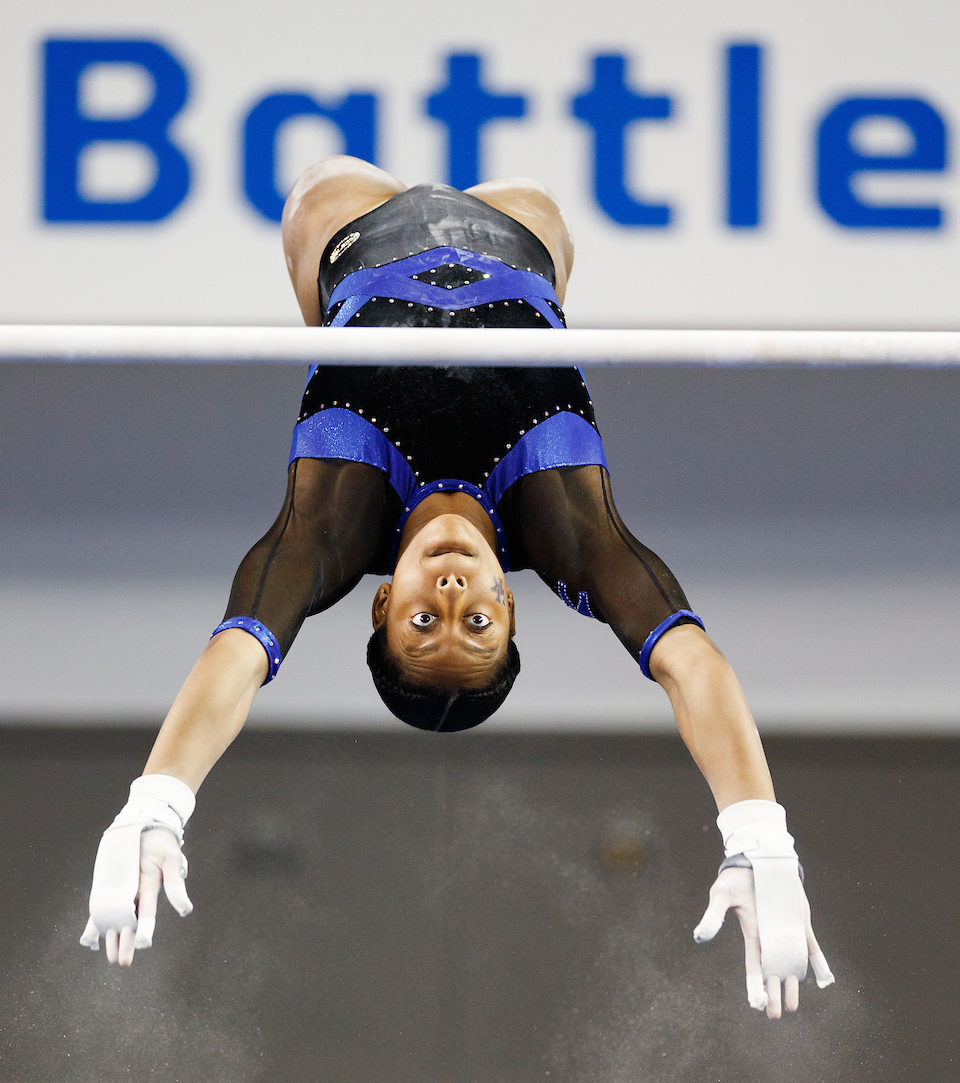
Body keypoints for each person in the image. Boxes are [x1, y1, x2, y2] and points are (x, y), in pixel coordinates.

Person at [80, 156, 835, 1018]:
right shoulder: (571, 538)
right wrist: (757, 831)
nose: (447, 588)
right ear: (512, 606)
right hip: (518, 237)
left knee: (321, 190)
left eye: (419, 619)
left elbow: (236, 657)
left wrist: (158, 803)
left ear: (377, 601)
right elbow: (691, 664)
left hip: (354, 233)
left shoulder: (329, 535)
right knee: (534, 195)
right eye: (473, 618)